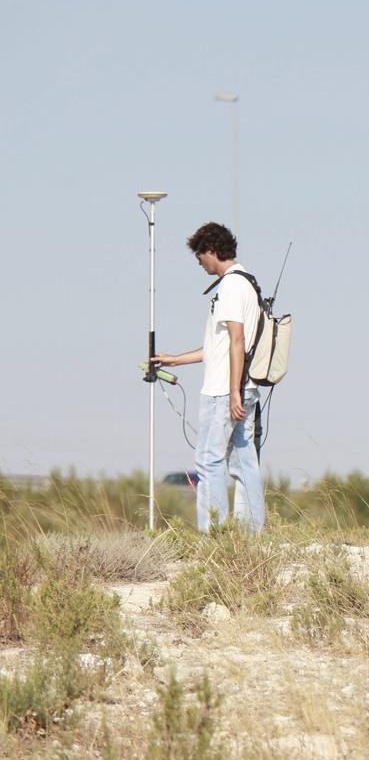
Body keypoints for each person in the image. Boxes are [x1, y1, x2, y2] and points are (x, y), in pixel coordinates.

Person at [154, 222, 265, 533]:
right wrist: (176, 359)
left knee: (208, 460)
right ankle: (252, 535)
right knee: (244, 464)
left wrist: (232, 393)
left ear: (212, 250)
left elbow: (237, 341)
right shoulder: (248, 284)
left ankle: (212, 536)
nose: (198, 262)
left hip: (223, 391)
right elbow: (219, 347)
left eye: (199, 255)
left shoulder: (230, 286)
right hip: (245, 386)